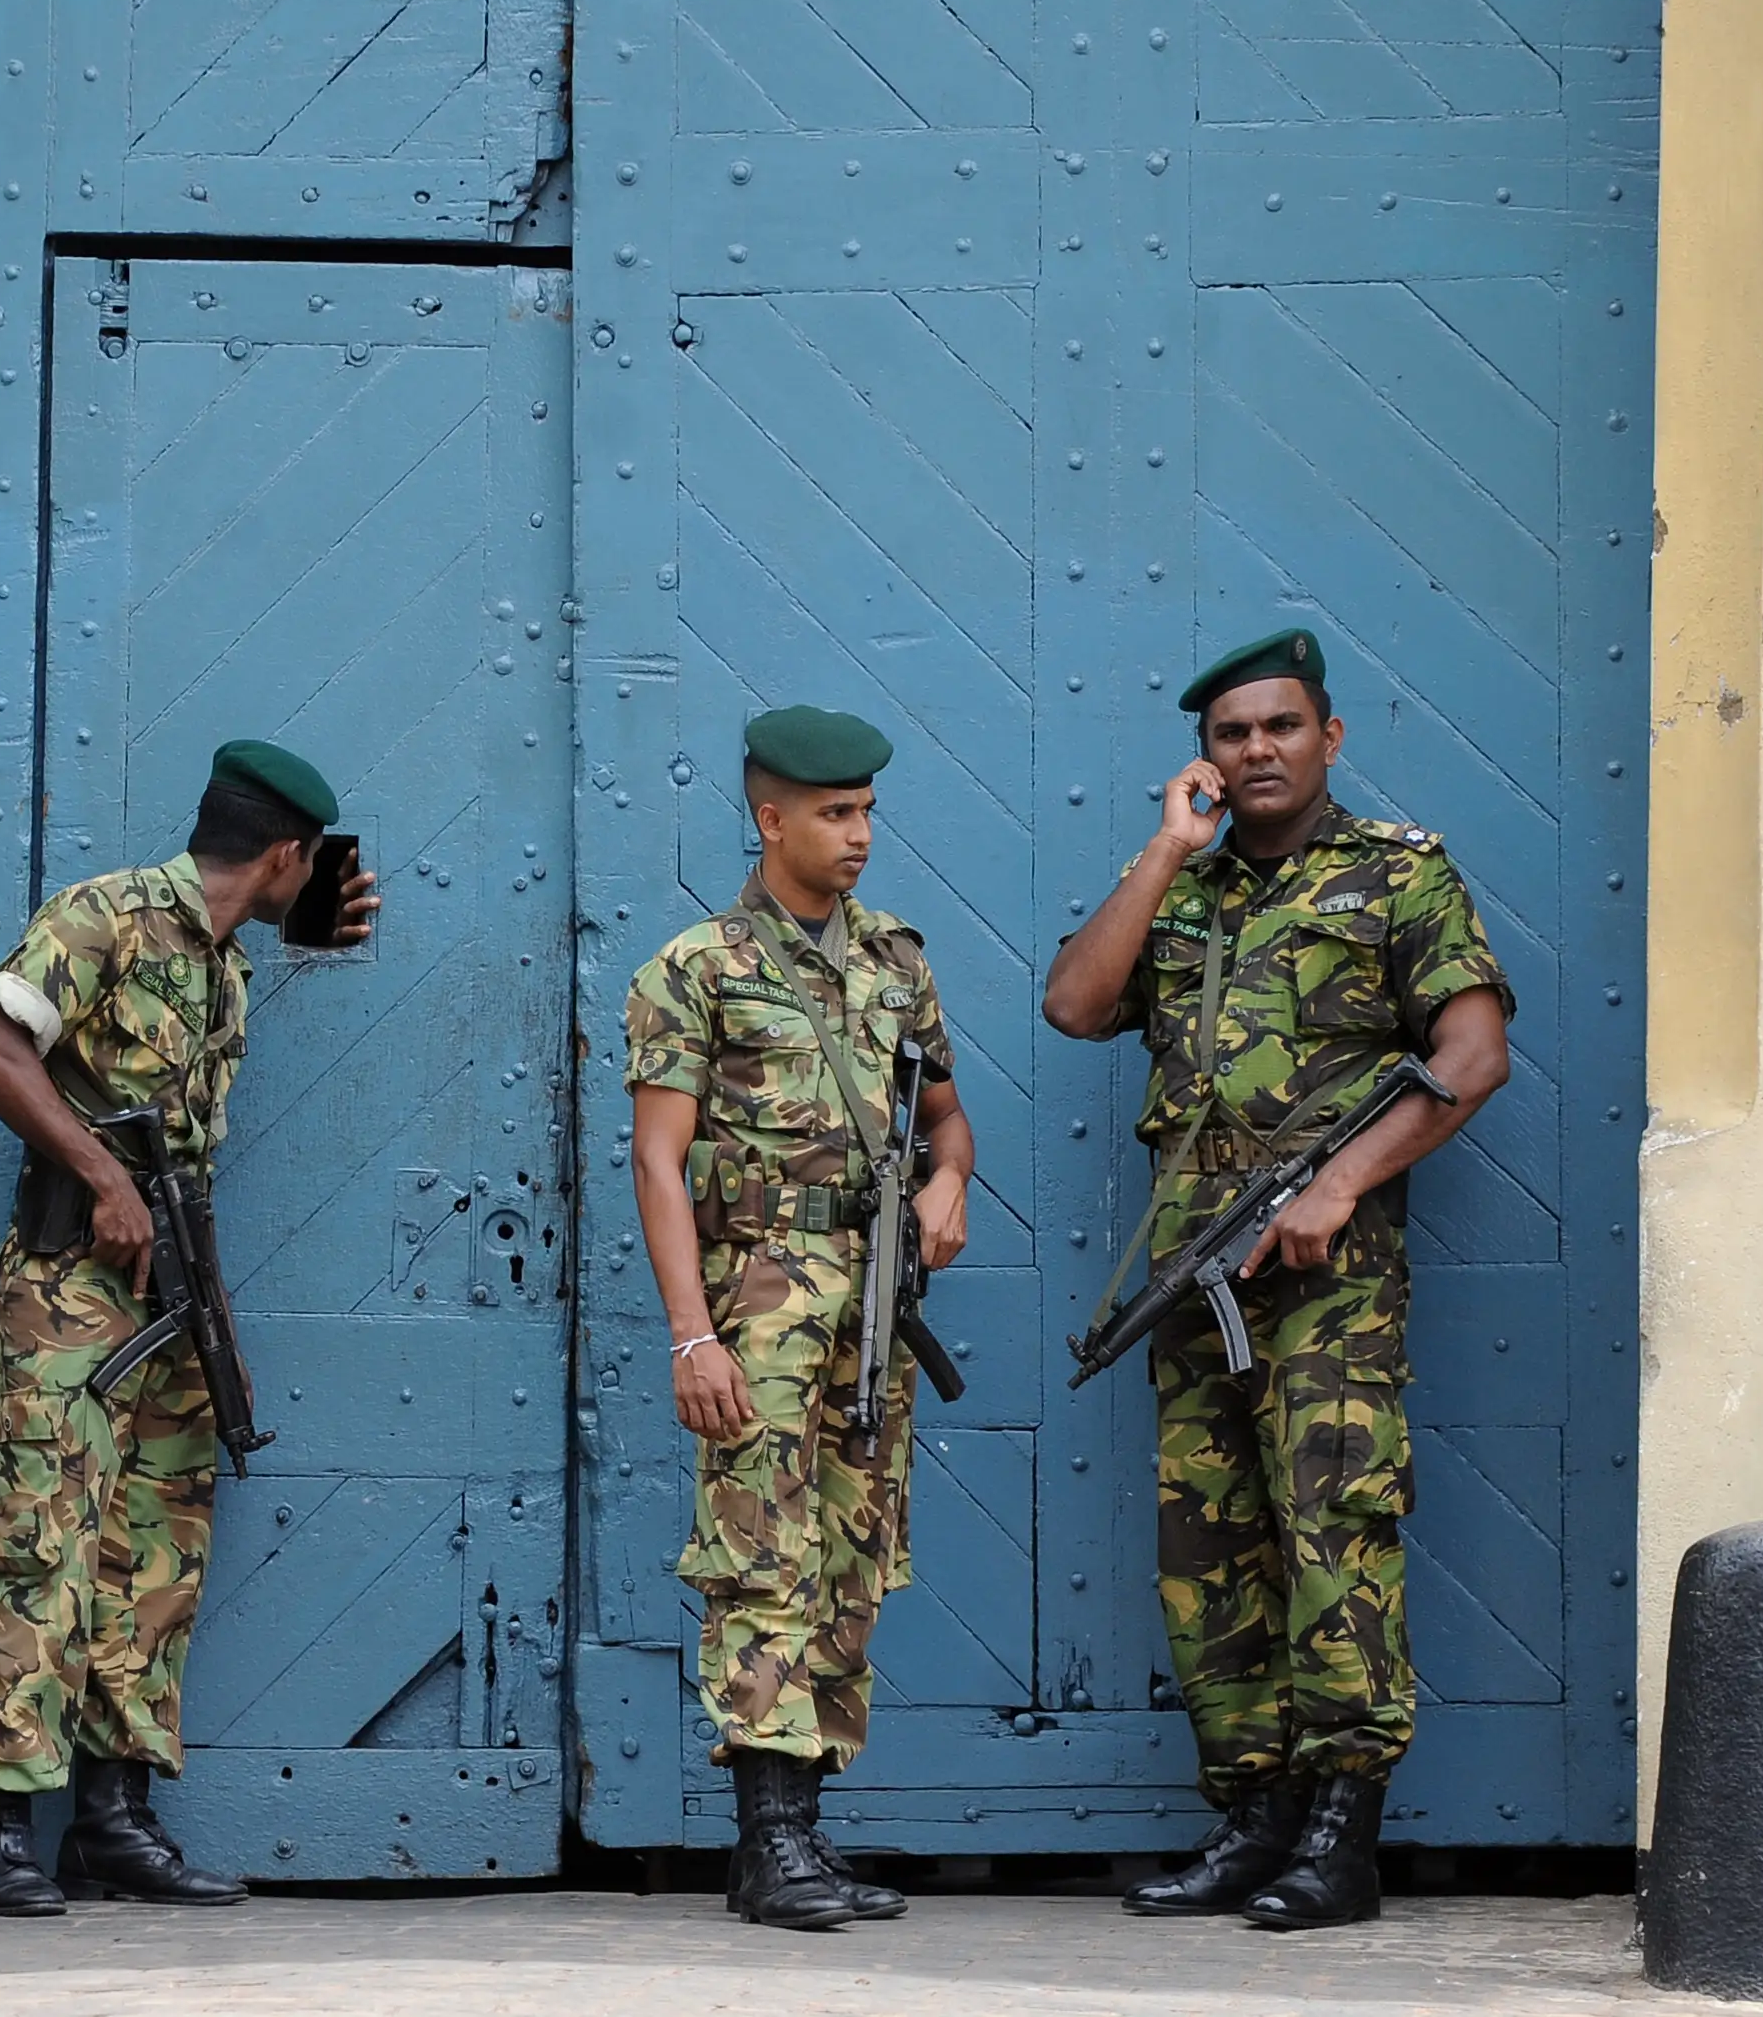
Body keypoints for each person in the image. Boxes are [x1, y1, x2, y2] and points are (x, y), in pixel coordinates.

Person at [1041, 628, 1513, 1932]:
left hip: (1328, 1282)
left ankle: (1341, 1835)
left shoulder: (1394, 878)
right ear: (1204, 759)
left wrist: (1342, 1180)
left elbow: (1470, 1055)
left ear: (1329, 739)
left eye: (1280, 727)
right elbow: (1078, 1006)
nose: (1257, 750)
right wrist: (1162, 854)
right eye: (1232, 734)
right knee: (1207, 1551)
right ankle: (1249, 1822)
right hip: (1199, 1286)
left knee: (1330, 1535)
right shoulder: (1181, 892)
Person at [0, 739, 376, 1917]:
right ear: (284, 851)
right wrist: (98, 1172)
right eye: (312, 861)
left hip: (173, 1287)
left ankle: (113, 1819)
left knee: (157, 1543)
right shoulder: (105, 917)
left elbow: (187, 1124)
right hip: (74, 1284)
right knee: (45, 1535)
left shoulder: (227, 965)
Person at [622, 705, 974, 1931]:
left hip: (873, 1302)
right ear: (770, 819)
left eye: (867, 810)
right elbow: (657, 1166)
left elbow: (943, 1115)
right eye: (834, 813)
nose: (859, 833)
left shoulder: (895, 959)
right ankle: (766, 1844)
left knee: (850, 1558)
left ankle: (805, 1838)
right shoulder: (693, 969)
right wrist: (689, 1333)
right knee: (759, 1558)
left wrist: (948, 1182)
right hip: (759, 1300)